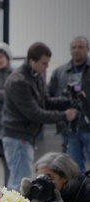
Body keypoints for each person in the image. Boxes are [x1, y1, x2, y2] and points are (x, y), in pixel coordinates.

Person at [2, 42, 77, 191]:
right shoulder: (19, 81)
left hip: (24, 137)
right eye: (44, 63)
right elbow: (34, 113)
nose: (47, 67)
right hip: (18, 137)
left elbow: (45, 101)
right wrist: (64, 115)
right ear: (32, 61)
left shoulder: (36, 75)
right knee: (19, 183)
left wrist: (68, 101)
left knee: (20, 180)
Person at [48, 37, 90, 173]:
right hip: (69, 127)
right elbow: (49, 96)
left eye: (80, 47)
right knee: (74, 168)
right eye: (73, 47)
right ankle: (81, 193)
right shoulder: (60, 72)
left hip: (88, 124)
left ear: (87, 49)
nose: (76, 50)